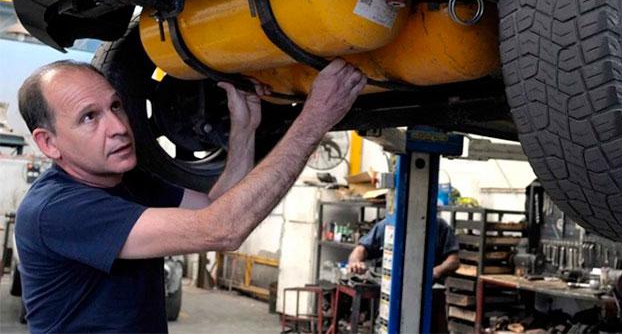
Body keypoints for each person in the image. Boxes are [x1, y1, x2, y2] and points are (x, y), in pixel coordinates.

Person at [15, 58, 366, 333]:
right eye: (90, 117)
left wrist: (244, 130)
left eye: (116, 106)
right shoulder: (57, 209)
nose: (119, 127)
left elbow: (216, 208)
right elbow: (222, 228)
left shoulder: (127, 180)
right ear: (49, 143)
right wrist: (314, 119)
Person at [347, 217, 460, 280]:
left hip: (429, 291)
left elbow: (454, 261)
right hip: (393, 287)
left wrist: (435, 271)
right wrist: (355, 262)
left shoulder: (439, 226)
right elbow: (361, 249)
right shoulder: (389, 224)